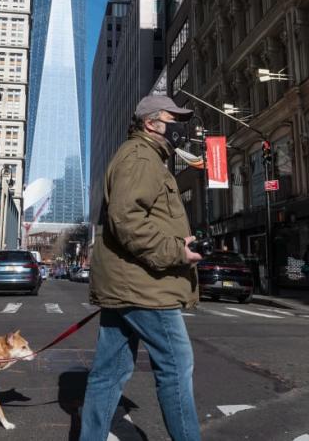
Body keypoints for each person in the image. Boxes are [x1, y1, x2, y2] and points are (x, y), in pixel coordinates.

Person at [81, 95, 203, 441]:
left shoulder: (144, 157)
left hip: (127, 281)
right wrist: (175, 251)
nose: (180, 126)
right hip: (144, 285)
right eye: (173, 118)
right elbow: (126, 219)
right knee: (177, 366)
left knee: (110, 371)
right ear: (151, 123)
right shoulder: (140, 157)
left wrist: (180, 242)